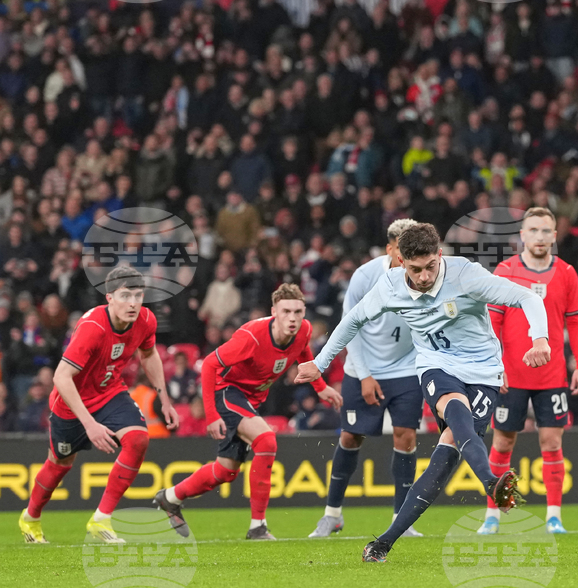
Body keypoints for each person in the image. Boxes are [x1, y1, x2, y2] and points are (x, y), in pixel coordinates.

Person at [295, 222, 551, 563]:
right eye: (415, 269)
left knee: (443, 461)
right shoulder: (388, 286)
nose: (425, 276)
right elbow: (353, 320)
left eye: (431, 266)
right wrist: (320, 363)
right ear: (400, 261)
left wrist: (540, 338)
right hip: (435, 364)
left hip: (484, 371)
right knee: (453, 406)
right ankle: (490, 480)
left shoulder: (465, 275)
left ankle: (383, 543)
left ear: (440, 255)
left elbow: (526, 296)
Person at [153, 284, 342, 541]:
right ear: (274, 311)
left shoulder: (304, 331)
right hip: (226, 391)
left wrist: (320, 387)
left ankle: (170, 497)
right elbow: (209, 364)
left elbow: (303, 353)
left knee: (225, 471)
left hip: (251, 399)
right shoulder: (252, 336)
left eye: (298, 311)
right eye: (286, 311)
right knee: (266, 440)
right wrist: (212, 416)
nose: (293, 318)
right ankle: (258, 527)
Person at [19, 265, 178, 544]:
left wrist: (164, 399)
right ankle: (30, 517)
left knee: (139, 439)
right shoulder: (92, 327)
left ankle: (101, 519)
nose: (133, 303)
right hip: (71, 403)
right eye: (125, 295)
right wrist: (90, 424)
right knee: (59, 464)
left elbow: (149, 354)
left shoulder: (146, 320)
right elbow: (61, 377)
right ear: (109, 298)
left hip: (109, 393)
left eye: (138, 295)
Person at [310, 219, 425, 539]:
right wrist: (365, 376)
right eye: (403, 248)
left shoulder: (425, 274)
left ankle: (402, 520)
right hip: (363, 367)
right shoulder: (364, 277)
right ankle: (332, 515)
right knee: (350, 437)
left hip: (406, 368)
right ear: (390, 249)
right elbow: (350, 327)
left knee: (406, 436)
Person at [479, 207, 578, 535]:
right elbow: (492, 323)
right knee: (502, 442)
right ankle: (492, 515)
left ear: (554, 236)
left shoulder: (567, 272)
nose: (539, 237)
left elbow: (576, 322)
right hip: (511, 373)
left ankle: (554, 516)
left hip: (551, 374)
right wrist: (495, 366)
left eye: (546, 231)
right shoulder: (505, 270)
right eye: (533, 230)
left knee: (552, 443)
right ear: (522, 235)